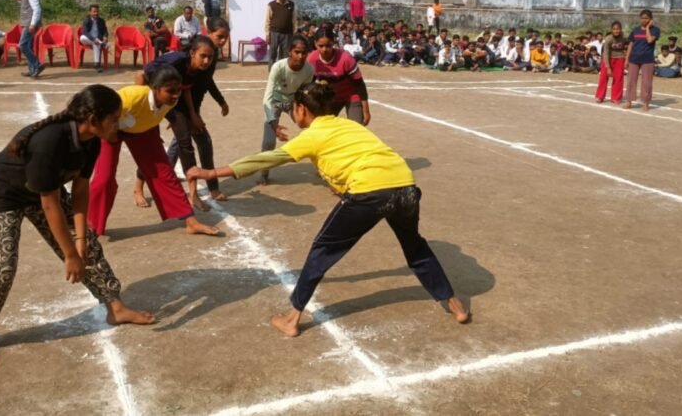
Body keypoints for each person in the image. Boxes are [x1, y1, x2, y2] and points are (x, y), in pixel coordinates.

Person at [187, 82, 470, 337]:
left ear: (301, 110)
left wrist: (212, 173)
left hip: (369, 191)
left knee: (322, 250)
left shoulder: (312, 135)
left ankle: (292, 318)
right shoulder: (351, 126)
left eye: (293, 110)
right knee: (415, 247)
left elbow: (264, 160)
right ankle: (455, 305)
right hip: (406, 186)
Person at [0, 85, 156, 364]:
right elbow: (49, 204)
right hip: (4, 194)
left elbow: (79, 191)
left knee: (88, 242)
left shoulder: (91, 141)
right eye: (114, 118)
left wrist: (79, 242)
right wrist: (69, 256)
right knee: (3, 268)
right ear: (92, 120)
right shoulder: (50, 141)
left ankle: (115, 307)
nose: (119, 124)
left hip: (44, 191)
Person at [87, 65, 219, 237]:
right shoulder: (130, 97)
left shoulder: (172, 100)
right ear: (155, 89)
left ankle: (191, 222)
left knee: (165, 173)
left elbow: (169, 115)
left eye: (178, 90)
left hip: (143, 130)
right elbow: (101, 112)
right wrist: (106, 135)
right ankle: (91, 228)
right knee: (104, 179)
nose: (176, 95)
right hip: (111, 130)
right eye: (170, 91)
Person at [133, 33, 230, 210]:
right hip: (158, 101)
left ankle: (201, 192)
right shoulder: (175, 62)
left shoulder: (200, 68)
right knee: (173, 144)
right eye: (203, 56)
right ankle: (138, 188)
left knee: (200, 141)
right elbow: (142, 76)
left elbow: (185, 89)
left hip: (178, 102)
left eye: (210, 57)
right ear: (192, 53)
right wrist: (146, 112)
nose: (207, 60)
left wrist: (194, 115)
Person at [260, 36, 314, 184]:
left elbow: (305, 94)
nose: (301, 56)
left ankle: (323, 168)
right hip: (276, 101)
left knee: (314, 130)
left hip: (293, 101)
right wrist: (274, 124)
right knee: (269, 141)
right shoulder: (278, 67)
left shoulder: (309, 70)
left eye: (304, 53)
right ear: (289, 52)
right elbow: (267, 99)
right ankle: (264, 173)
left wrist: (308, 116)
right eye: (297, 52)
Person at [307, 27, 371, 125]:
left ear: (333, 42)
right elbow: (309, 85)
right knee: (323, 127)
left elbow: (360, 85)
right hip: (330, 98)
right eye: (321, 46)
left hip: (350, 95)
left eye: (328, 45)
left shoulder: (346, 59)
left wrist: (366, 111)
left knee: (356, 128)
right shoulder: (312, 60)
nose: (324, 49)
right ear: (315, 44)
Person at [625, 9, 660, 111]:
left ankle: (646, 103)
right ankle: (629, 101)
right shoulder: (635, 30)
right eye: (642, 18)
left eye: (646, 18)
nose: (644, 20)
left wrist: (648, 28)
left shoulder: (655, 30)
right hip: (634, 59)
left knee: (646, 82)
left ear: (650, 19)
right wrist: (627, 59)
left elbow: (649, 40)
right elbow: (630, 45)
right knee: (631, 81)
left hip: (647, 60)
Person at [14, 0, 45, 78]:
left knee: (22, 45)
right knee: (29, 46)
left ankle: (38, 65)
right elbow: (26, 6)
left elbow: (37, 9)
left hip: (30, 24)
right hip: (27, 23)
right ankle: (32, 71)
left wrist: (32, 24)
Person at [595, 21, 628, 104]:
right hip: (608, 58)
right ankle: (600, 96)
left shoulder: (624, 38)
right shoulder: (608, 39)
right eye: (614, 29)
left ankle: (616, 97)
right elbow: (605, 53)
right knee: (603, 78)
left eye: (618, 29)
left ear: (621, 29)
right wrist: (608, 67)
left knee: (618, 79)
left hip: (619, 59)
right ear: (611, 30)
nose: (616, 31)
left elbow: (631, 43)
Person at [265, 0, 296, 69]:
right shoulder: (271, 5)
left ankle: (282, 72)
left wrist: (295, 32)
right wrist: (267, 34)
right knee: (273, 54)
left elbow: (294, 19)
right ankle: (271, 72)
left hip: (287, 33)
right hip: (274, 33)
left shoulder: (291, 5)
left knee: (284, 55)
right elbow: (267, 20)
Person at [80, 4, 109, 72]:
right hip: (88, 39)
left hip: (98, 39)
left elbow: (105, 31)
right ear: (90, 12)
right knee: (82, 37)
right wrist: (93, 39)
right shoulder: (86, 20)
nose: (96, 13)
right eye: (94, 11)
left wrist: (105, 36)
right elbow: (85, 32)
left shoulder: (101, 21)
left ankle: (97, 64)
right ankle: (99, 43)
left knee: (97, 44)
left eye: (97, 11)